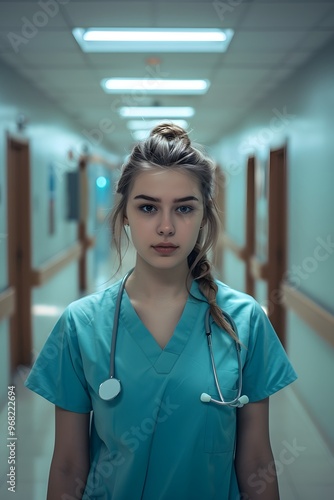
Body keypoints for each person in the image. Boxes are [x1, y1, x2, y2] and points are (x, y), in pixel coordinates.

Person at [25, 123, 297, 500]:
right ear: (124, 215)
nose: (166, 227)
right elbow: (69, 465)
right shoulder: (81, 325)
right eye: (148, 207)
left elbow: (255, 462)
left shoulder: (245, 321)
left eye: (184, 208)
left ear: (204, 216)